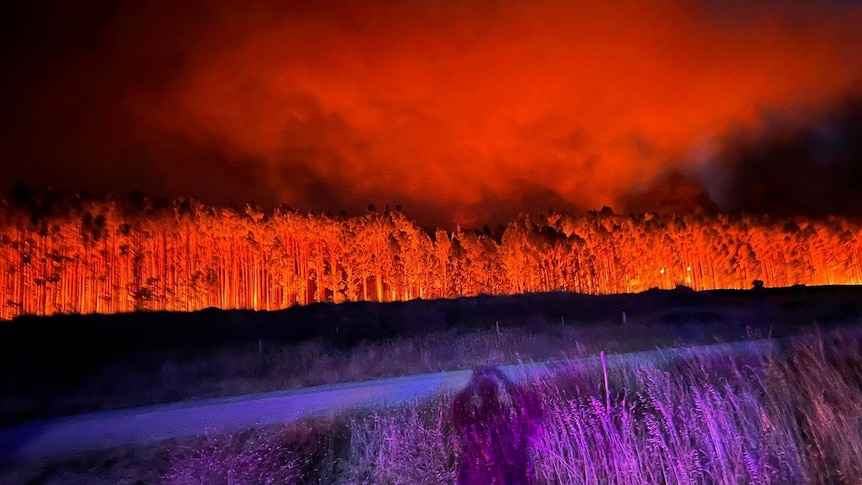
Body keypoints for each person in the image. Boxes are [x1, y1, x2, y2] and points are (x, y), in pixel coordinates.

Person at [452, 366, 543, 485]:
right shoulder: (509, 420)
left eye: (488, 391)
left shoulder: (477, 423)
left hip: (489, 476)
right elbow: (534, 406)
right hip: (507, 475)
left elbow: (458, 410)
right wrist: (505, 380)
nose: (488, 396)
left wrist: (472, 384)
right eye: (486, 391)